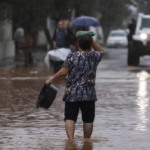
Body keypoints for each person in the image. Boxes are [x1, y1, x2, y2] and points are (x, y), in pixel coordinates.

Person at [46, 31, 104, 140]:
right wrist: (91, 41)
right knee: (88, 120)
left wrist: (51, 79)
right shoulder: (95, 56)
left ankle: (71, 142)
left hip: (72, 94)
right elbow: (101, 50)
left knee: (70, 118)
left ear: (78, 44)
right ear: (89, 44)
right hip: (89, 95)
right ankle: (86, 142)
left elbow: (63, 72)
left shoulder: (72, 56)